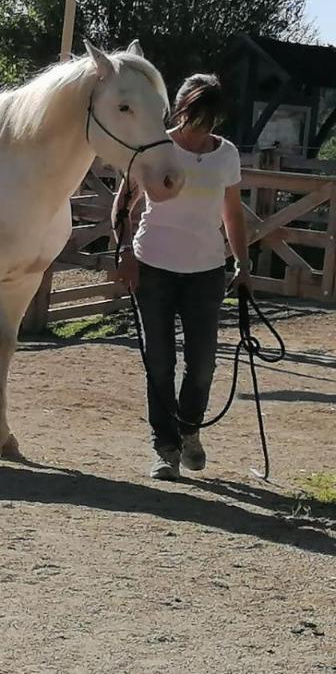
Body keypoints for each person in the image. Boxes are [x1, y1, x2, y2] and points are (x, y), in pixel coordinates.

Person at [113, 73, 250, 481]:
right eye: (195, 115)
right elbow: (123, 203)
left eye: (209, 117)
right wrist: (123, 251)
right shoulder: (156, 147)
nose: (202, 125)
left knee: (203, 363)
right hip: (152, 264)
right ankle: (165, 447)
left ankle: (190, 430)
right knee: (159, 362)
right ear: (181, 107)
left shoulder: (226, 155)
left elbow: (233, 214)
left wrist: (242, 263)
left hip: (206, 270)